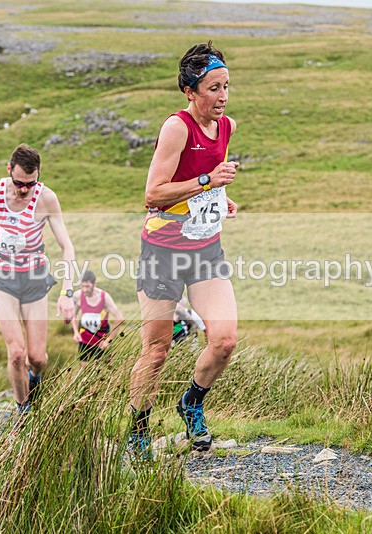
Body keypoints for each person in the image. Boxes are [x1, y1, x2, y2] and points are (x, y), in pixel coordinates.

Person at [130, 41, 239, 455]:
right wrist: (208, 182)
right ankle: (138, 430)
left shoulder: (226, 127)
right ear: (190, 91)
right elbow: (154, 193)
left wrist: (219, 200)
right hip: (162, 252)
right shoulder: (177, 127)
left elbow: (199, 180)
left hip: (206, 249)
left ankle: (192, 402)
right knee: (157, 350)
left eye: (226, 86)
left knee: (224, 340)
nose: (223, 96)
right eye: (213, 88)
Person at [0, 144, 75, 413]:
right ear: (9, 170)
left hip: (34, 278)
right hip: (1, 277)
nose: (24, 190)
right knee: (16, 352)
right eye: (19, 183)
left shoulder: (47, 199)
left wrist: (67, 292)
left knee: (37, 358)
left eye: (30, 183)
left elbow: (66, 246)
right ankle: (23, 412)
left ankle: (34, 379)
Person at [71, 271, 124, 366]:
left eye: (87, 286)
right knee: (84, 370)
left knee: (101, 370)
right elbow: (74, 314)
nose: (84, 290)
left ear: (94, 284)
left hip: (101, 341)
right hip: (84, 339)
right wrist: (76, 332)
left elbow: (119, 318)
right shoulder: (78, 295)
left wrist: (108, 340)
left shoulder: (104, 297)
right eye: (82, 286)